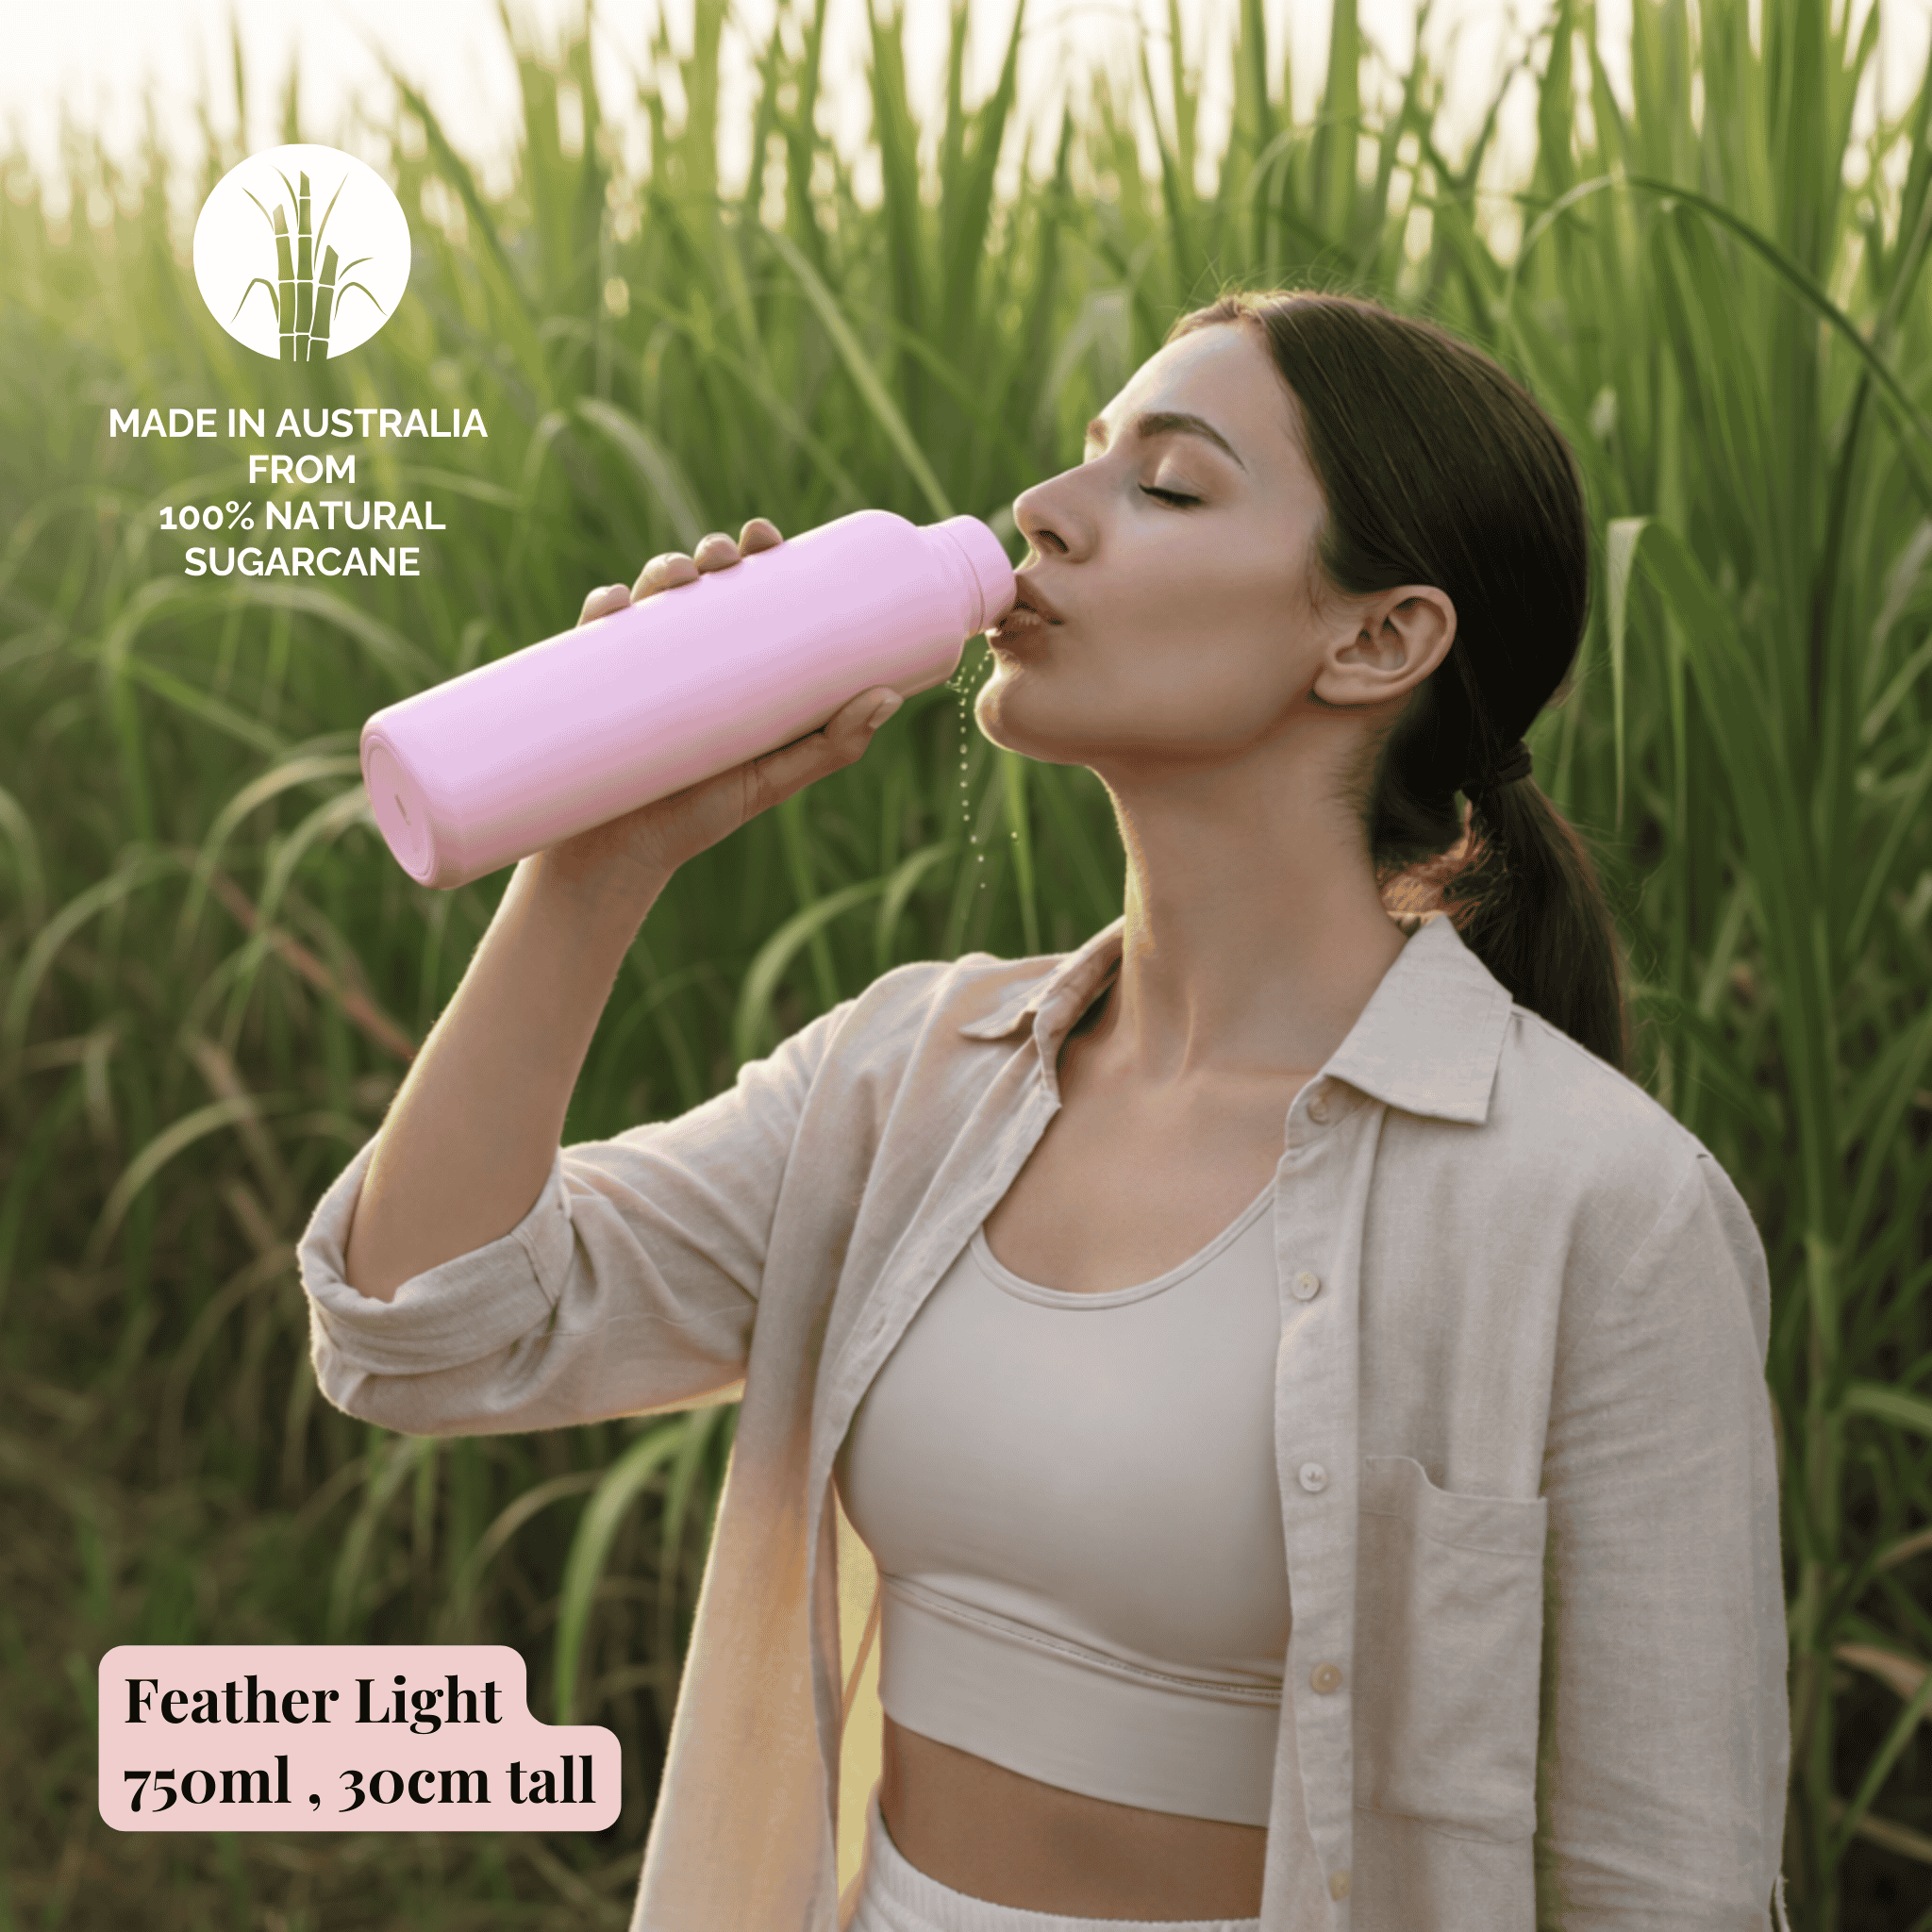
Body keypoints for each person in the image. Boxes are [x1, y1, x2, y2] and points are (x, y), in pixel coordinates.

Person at [298, 289, 1791, 1932]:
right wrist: (597, 861)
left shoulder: (1596, 1205)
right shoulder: (901, 1081)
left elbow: (1669, 1878)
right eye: (1084, 457)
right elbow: (416, 1333)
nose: (1042, 513)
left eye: (1167, 483)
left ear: (1378, 638)